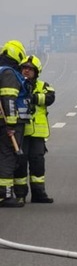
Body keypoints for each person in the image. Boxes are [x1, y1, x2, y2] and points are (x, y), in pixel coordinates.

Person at [14, 55, 55, 204]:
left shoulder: (43, 85)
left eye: (30, 69)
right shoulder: (15, 84)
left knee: (37, 163)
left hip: (37, 133)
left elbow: (50, 98)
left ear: (37, 72)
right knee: (20, 163)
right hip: (21, 132)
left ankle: (39, 194)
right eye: (24, 68)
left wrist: (32, 97)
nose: (26, 71)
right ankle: (20, 195)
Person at [0, 40, 27, 208]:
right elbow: (9, 99)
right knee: (8, 156)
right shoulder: (8, 73)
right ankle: (5, 195)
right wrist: (10, 124)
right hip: (6, 125)